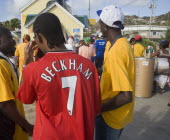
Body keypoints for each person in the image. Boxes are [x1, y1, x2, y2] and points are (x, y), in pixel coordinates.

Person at [16, 13, 101, 140]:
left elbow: (25, 98)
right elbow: (96, 107)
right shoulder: (89, 66)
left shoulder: (34, 69)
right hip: (82, 134)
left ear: (38, 37)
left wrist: (26, 63)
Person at [0, 27, 33, 140]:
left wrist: (27, 62)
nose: (13, 41)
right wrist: (27, 126)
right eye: (9, 38)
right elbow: (4, 104)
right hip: (9, 133)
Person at [96, 5, 135, 140]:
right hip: (118, 114)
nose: (98, 25)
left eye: (100, 23)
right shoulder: (119, 44)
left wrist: (98, 109)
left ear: (106, 27)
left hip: (110, 117)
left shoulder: (117, 51)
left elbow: (126, 96)